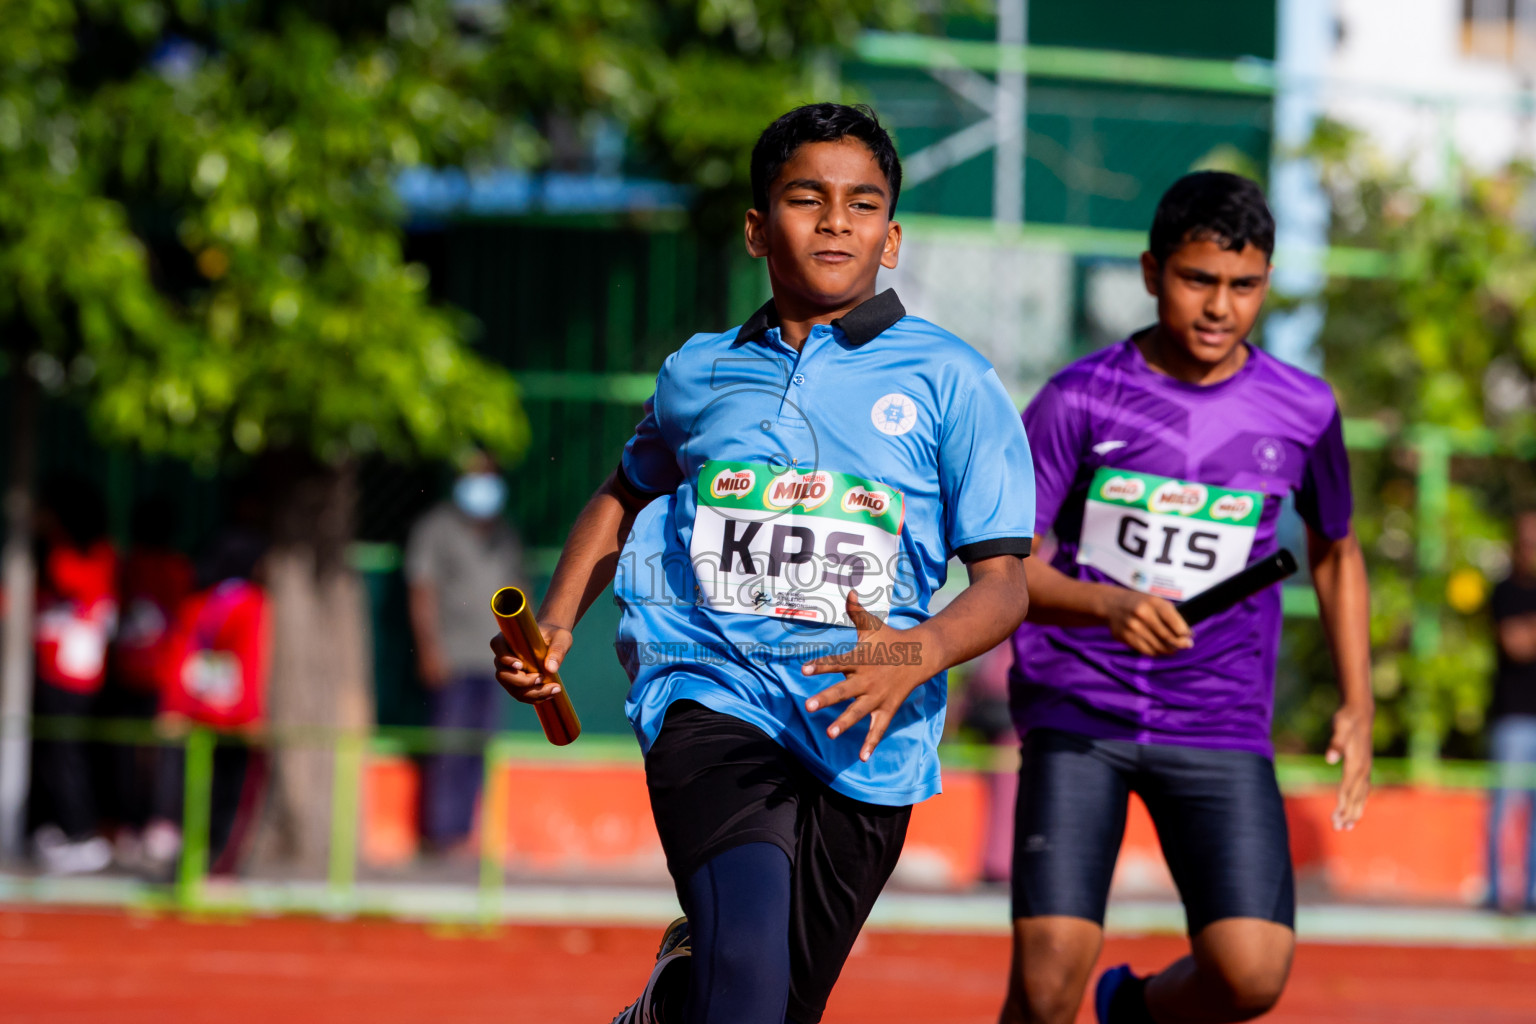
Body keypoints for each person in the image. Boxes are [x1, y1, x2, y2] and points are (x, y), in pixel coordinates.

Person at [492, 103, 1035, 1024]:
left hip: (866, 727)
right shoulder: (698, 373)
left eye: (861, 204)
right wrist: (554, 622)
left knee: (778, 1005)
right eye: (805, 199)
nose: (834, 221)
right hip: (712, 693)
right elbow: (622, 493)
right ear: (756, 227)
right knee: (743, 993)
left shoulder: (953, 380)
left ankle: (665, 1006)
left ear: (891, 237)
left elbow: (1004, 583)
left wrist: (918, 651)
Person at [1001, 172, 1374, 1024]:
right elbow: (1006, 571)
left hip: (1219, 720)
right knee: (1047, 983)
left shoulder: (1303, 408)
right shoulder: (1079, 398)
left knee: (1251, 976)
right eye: (1197, 279)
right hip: (1079, 713)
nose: (1219, 307)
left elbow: (1338, 550)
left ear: (1267, 286)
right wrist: (1109, 606)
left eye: (1243, 286)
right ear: (1150, 271)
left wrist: (1360, 700)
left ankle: (1132, 1010)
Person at [406, 451, 525, 854]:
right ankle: (439, 836)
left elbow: (519, 592)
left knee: (480, 748)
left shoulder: (505, 535)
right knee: (448, 747)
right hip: (451, 658)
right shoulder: (436, 528)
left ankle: (463, 835)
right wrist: (429, 650)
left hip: (496, 660)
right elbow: (422, 590)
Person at [30, 476, 118, 875]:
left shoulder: (87, 551)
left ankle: (81, 832)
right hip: (52, 665)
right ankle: (57, 828)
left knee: (69, 753)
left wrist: (48, 538)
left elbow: (71, 581)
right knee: (52, 751)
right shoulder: (56, 548)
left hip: (74, 670)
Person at [102, 496, 196, 865]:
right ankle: (141, 823)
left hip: (158, 675)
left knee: (160, 754)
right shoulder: (131, 568)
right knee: (134, 753)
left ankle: (156, 823)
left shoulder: (172, 570)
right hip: (137, 673)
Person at [1485, 509, 1536, 913]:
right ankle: (1497, 893)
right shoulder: (1505, 591)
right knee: (1503, 806)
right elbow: (1516, 644)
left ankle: (1533, 895)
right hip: (1513, 718)